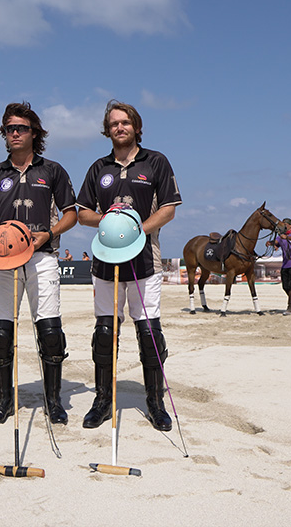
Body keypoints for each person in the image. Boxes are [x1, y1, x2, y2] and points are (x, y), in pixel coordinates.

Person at [76, 100, 181, 432]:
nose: (119, 128)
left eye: (124, 123)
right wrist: (108, 221)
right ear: (107, 130)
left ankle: (155, 402)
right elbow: (82, 212)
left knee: (148, 330)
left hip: (144, 258)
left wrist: (137, 230)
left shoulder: (156, 162)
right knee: (105, 330)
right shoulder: (98, 167)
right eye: (113, 124)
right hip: (105, 260)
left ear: (136, 126)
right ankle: (103, 399)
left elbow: (168, 208)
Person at [0, 102, 77, 425]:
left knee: (49, 331)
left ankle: (53, 400)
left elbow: (71, 213)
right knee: (1, 332)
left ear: (35, 133)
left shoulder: (53, 171)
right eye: (9, 129)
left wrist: (48, 234)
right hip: (5, 262)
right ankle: (4, 399)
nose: (15, 133)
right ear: (4, 135)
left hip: (41, 257)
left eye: (21, 128)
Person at [268, 218, 291, 315]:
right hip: (285, 264)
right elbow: (276, 242)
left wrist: (286, 237)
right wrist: (270, 243)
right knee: (285, 286)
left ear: (290, 225)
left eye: (285, 224)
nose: (284, 226)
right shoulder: (280, 237)